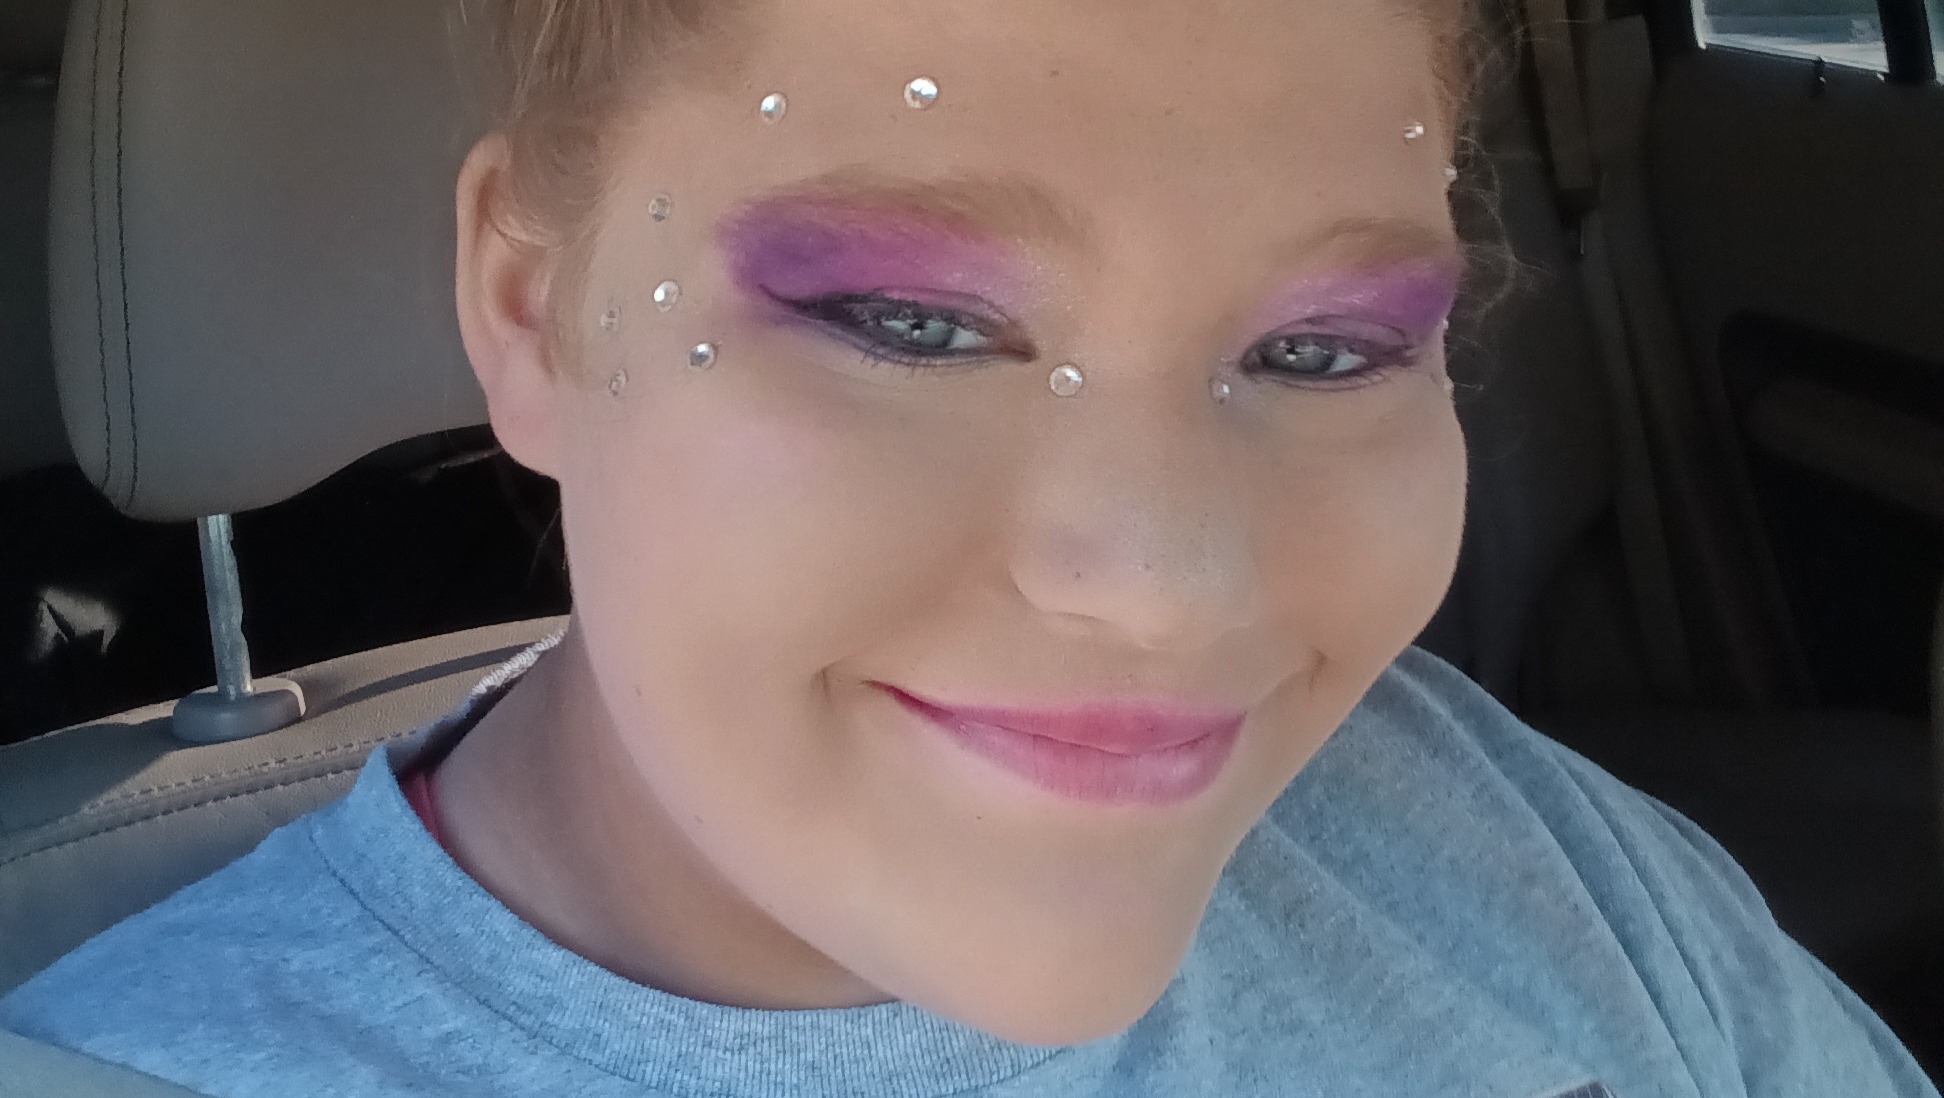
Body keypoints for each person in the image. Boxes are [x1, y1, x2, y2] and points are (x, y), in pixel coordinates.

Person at [3, 0, 1937, 1094]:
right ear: (529, 304)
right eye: (910, 323)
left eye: (1325, 349)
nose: (1171, 586)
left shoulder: (1494, 825)